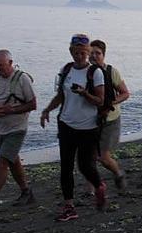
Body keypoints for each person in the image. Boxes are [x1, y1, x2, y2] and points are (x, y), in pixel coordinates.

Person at [40, 34, 107, 222]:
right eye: (76, 52)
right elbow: (61, 95)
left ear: (88, 53)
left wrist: (85, 93)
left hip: (88, 127)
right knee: (66, 167)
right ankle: (69, 206)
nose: (79, 56)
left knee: (85, 166)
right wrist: (47, 110)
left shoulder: (95, 73)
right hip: (67, 124)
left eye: (83, 53)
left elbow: (100, 101)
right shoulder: (66, 69)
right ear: (71, 51)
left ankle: (99, 186)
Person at [0, 50, 37, 213]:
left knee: (2, 160)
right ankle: (26, 192)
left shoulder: (22, 79)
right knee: (12, 160)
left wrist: (11, 110)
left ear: (10, 63)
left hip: (17, 128)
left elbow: (33, 104)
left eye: (1, 65)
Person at [87, 40, 130, 192]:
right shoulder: (85, 72)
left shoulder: (111, 72)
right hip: (90, 120)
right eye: (91, 53)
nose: (94, 56)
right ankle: (92, 189)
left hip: (110, 120)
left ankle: (118, 173)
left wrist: (110, 102)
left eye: (97, 53)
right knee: (89, 156)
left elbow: (125, 93)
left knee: (103, 157)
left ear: (103, 55)